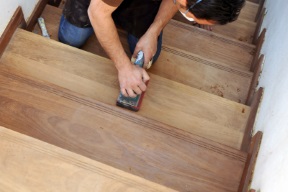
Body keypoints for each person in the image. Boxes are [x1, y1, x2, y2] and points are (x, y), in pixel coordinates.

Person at [58, 0, 245, 98]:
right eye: (190, 16)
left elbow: (174, 1)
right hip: (96, 6)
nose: (187, 18)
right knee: (71, 38)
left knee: (148, 58)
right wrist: (124, 68)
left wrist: (153, 32)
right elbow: (96, 12)